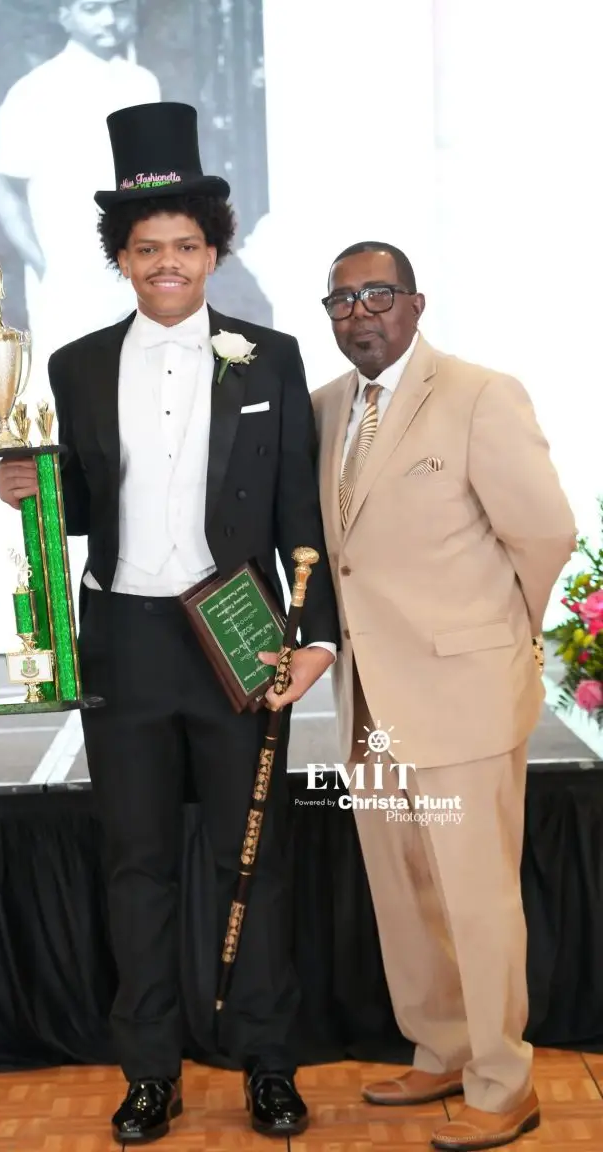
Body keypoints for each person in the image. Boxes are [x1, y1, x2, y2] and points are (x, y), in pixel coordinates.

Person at [0, 101, 340, 1144]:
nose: (167, 263)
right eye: (147, 248)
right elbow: (93, 504)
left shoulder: (269, 357)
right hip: (127, 642)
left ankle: (269, 1068)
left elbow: (298, 517)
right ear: (122, 258)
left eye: (186, 245)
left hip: (239, 631)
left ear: (214, 251)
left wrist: (315, 637)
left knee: (256, 859)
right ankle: (149, 1072)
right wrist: (34, 490)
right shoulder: (76, 365)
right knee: (135, 864)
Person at [311, 241, 577, 1151]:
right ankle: (442, 1048)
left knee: (475, 894)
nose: (359, 314)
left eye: (376, 295)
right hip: (370, 705)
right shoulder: (326, 408)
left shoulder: (478, 394)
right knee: (407, 891)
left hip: (464, 690)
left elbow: (544, 532)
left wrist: (500, 642)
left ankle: (505, 1083)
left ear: (416, 304)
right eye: (340, 302)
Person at [0, 1, 160, 368]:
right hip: (68, 280)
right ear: (64, 14)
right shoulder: (34, 91)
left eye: (119, 7)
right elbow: (4, 192)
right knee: (73, 397)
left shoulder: (142, 83)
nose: (110, 19)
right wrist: (44, 266)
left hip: (138, 271)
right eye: (93, 8)